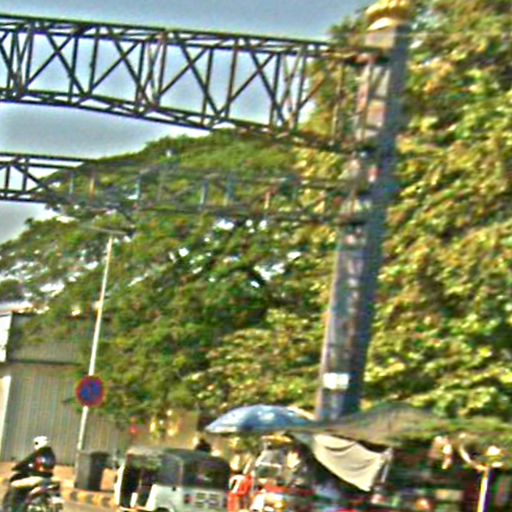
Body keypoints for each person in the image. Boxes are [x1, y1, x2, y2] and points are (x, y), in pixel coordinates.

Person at [3, 435, 57, 511]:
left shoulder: (38, 453)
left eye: (36, 443)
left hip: (36, 478)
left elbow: (26, 461)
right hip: (49, 478)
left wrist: (17, 467)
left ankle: (14, 508)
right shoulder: (51, 454)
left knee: (14, 485)